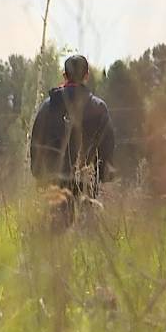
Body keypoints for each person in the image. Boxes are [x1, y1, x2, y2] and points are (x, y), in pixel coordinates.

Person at [29, 54, 115, 224]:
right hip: (87, 193)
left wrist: (41, 178)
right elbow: (107, 150)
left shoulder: (46, 108)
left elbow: (36, 149)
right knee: (85, 244)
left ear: (64, 75)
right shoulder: (98, 108)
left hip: (52, 194)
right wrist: (98, 180)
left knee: (53, 244)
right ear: (87, 76)